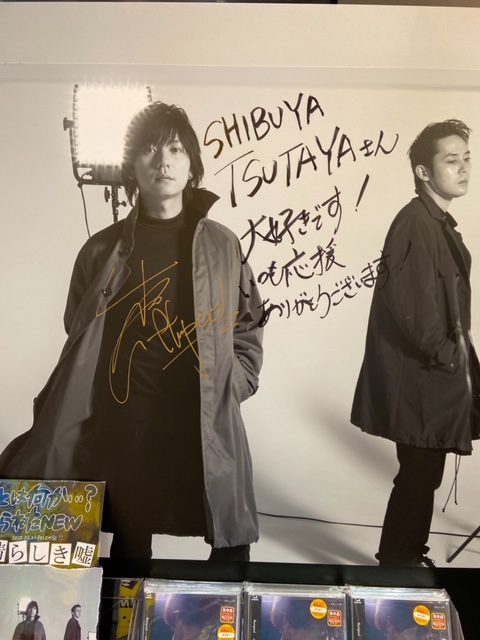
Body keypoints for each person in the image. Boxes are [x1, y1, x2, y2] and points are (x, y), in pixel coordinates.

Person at [0, 101, 264, 562]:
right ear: (131, 166)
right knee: (129, 558)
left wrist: (236, 380)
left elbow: (248, 320)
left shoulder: (223, 243)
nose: (163, 161)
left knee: (231, 552)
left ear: (192, 164)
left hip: (203, 423)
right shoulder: (100, 251)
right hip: (128, 428)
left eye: (176, 149)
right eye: (150, 149)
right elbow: (78, 328)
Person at [351, 119, 480, 566]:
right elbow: (413, 313)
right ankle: (396, 562)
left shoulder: (436, 223)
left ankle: (405, 556)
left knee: (423, 474)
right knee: (419, 474)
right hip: (422, 382)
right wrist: (451, 360)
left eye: (467, 159)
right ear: (424, 172)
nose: (464, 168)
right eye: (451, 160)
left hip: (434, 381)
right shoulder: (414, 223)